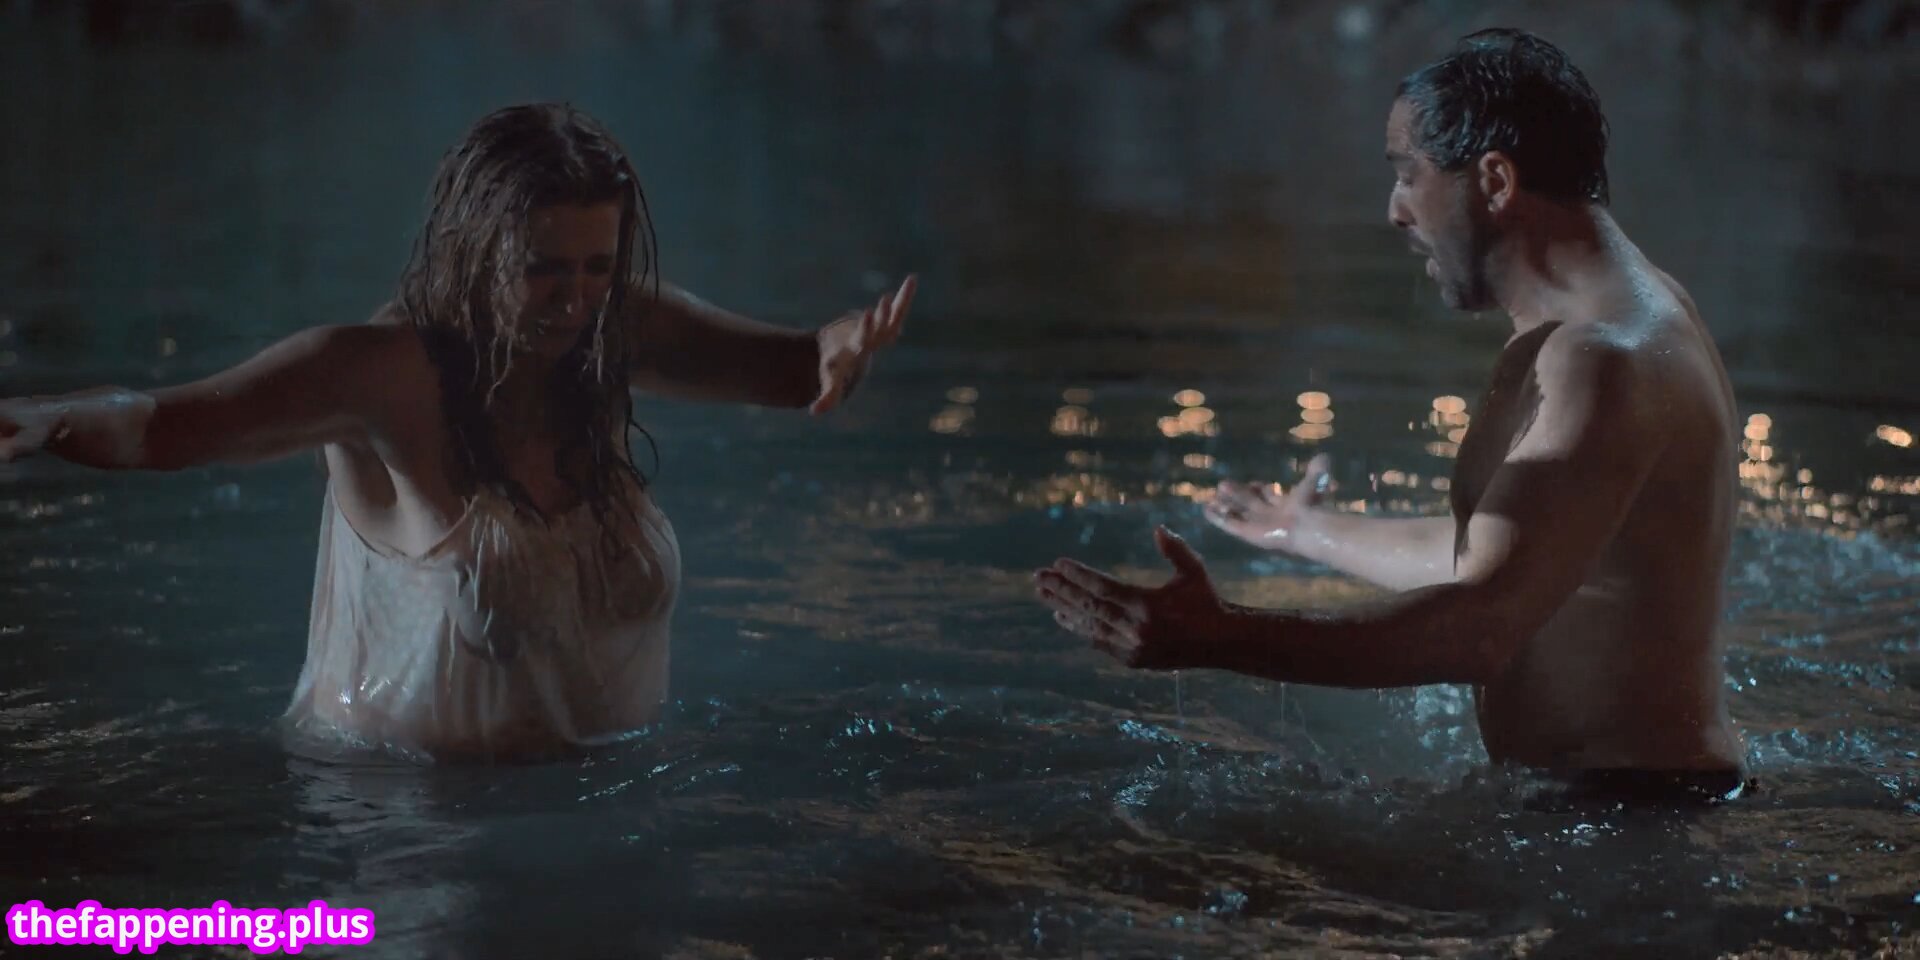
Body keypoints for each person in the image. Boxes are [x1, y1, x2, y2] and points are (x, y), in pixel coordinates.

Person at [0, 103, 917, 763]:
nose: (575, 299)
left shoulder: (611, 333)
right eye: (544, 269)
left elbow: (798, 369)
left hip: (615, 828)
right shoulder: (381, 375)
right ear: (476, 250)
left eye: (598, 266)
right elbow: (162, 426)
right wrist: (40, 418)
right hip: (402, 833)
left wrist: (840, 347)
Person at [1033, 29, 1750, 805]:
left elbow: (1481, 626)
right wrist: (1305, 531)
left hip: (1629, 821)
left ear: (1495, 179)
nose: (1395, 211)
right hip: (1631, 807)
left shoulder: (1599, 357)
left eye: (1408, 175)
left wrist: (1219, 634)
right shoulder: (1630, 313)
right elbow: (1509, 554)